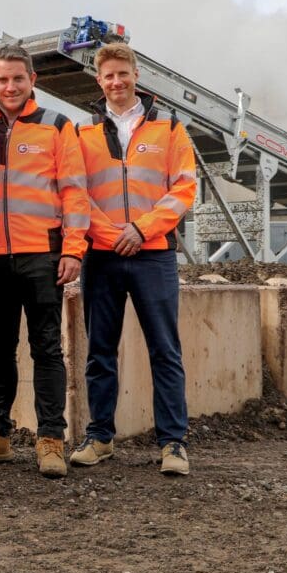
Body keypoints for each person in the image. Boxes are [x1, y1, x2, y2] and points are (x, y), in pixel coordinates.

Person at [70, 41, 197, 476]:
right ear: (99, 80)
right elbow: (76, 193)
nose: (116, 82)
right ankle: (100, 437)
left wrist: (142, 230)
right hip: (102, 256)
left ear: (136, 75)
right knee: (100, 351)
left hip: (153, 255)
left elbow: (184, 188)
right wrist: (112, 235)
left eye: (123, 73)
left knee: (165, 350)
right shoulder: (82, 131)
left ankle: (173, 443)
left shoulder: (169, 127)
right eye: (108, 75)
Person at [0, 44, 90, 478]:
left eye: (18, 79)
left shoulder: (56, 126)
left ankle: (51, 439)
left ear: (32, 81)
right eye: (2, 79)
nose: (10, 87)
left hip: (42, 255)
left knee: (46, 349)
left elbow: (74, 192)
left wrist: (74, 248)